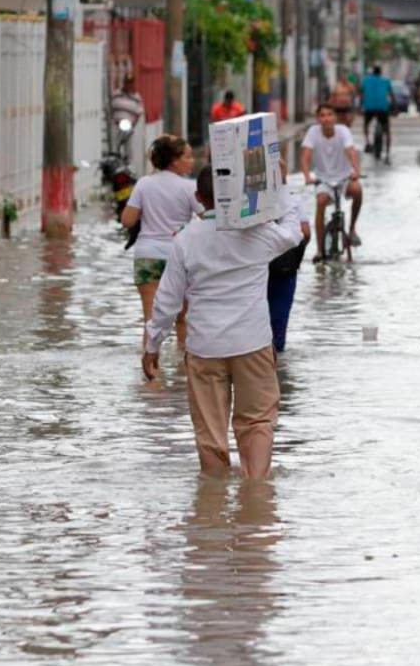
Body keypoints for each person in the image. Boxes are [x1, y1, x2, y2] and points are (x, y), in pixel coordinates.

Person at [142, 166, 303, 479]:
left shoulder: (186, 240)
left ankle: (212, 512)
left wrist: (152, 345)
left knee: (210, 433)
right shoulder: (258, 232)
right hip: (252, 343)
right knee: (257, 422)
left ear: (199, 198)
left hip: (205, 347)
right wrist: (281, 187)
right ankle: (256, 498)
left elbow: (168, 301)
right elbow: (293, 233)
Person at [122, 134, 201, 351]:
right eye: (188, 156)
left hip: (147, 255)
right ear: (174, 161)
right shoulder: (189, 187)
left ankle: (151, 377)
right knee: (183, 317)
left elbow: (128, 219)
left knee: (151, 318)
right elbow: (207, 216)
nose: (192, 161)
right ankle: (183, 372)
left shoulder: (144, 184)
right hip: (179, 256)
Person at [300, 103, 362, 263]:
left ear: (335, 117)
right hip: (324, 180)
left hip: (344, 178)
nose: (326, 119)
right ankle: (320, 249)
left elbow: (351, 151)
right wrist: (307, 176)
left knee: (357, 190)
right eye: (322, 115)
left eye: (329, 115)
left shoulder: (343, 131)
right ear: (318, 119)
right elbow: (305, 156)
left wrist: (356, 171)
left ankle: (352, 228)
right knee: (320, 202)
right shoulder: (313, 132)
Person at [266, 174, 312, 353]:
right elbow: (305, 233)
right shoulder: (292, 199)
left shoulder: (244, 200)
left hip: (252, 270)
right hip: (283, 269)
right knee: (278, 325)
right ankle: (279, 374)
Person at [360, 65, 394, 162]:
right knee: (387, 130)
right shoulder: (386, 80)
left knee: (366, 125)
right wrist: (394, 108)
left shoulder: (366, 80)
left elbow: (362, 94)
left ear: (372, 72)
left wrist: (360, 106)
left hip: (369, 107)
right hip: (383, 108)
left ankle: (367, 142)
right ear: (380, 72)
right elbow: (391, 94)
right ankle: (387, 152)